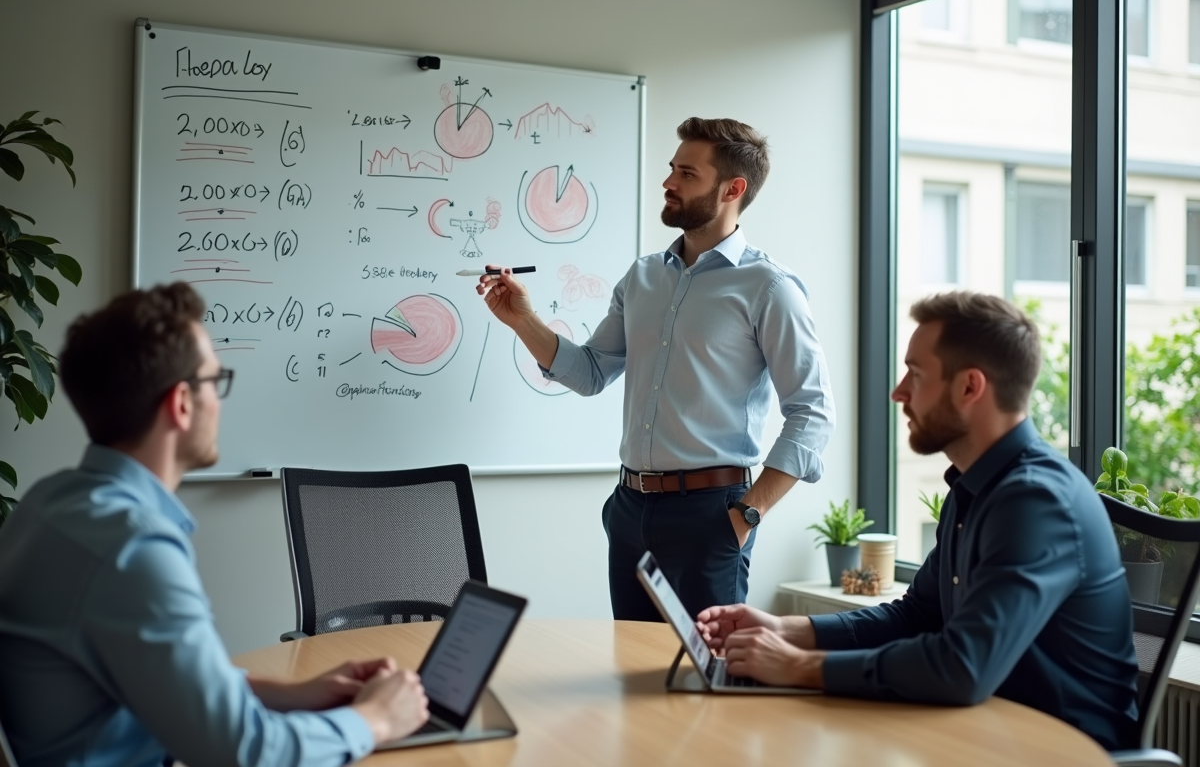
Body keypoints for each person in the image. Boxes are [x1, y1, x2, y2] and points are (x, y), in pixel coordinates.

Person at [0, 283, 430, 767]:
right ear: (181, 403)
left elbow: (157, 682)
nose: (220, 400)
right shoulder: (132, 548)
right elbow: (240, 752)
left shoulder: (47, 504)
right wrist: (375, 719)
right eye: (215, 380)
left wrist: (297, 694)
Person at [694, 291, 1140, 751]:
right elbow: (917, 616)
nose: (898, 391)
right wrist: (784, 630)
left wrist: (796, 667)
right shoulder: (974, 486)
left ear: (970, 387)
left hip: (1061, 751)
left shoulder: (1035, 501)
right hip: (983, 734)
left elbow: (963, 667)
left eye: (917, 374)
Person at [477, 117, 835, 620]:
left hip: (713, 514)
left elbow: (812, 412)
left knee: (704, 678)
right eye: (672, 169)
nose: (668, 183)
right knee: (633, 672)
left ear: (733, 188)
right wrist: (523, 320)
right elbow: (591, 373)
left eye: (687, 174)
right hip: (629, 510)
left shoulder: (769, 288)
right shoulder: (642, 276)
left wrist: (747, 514)